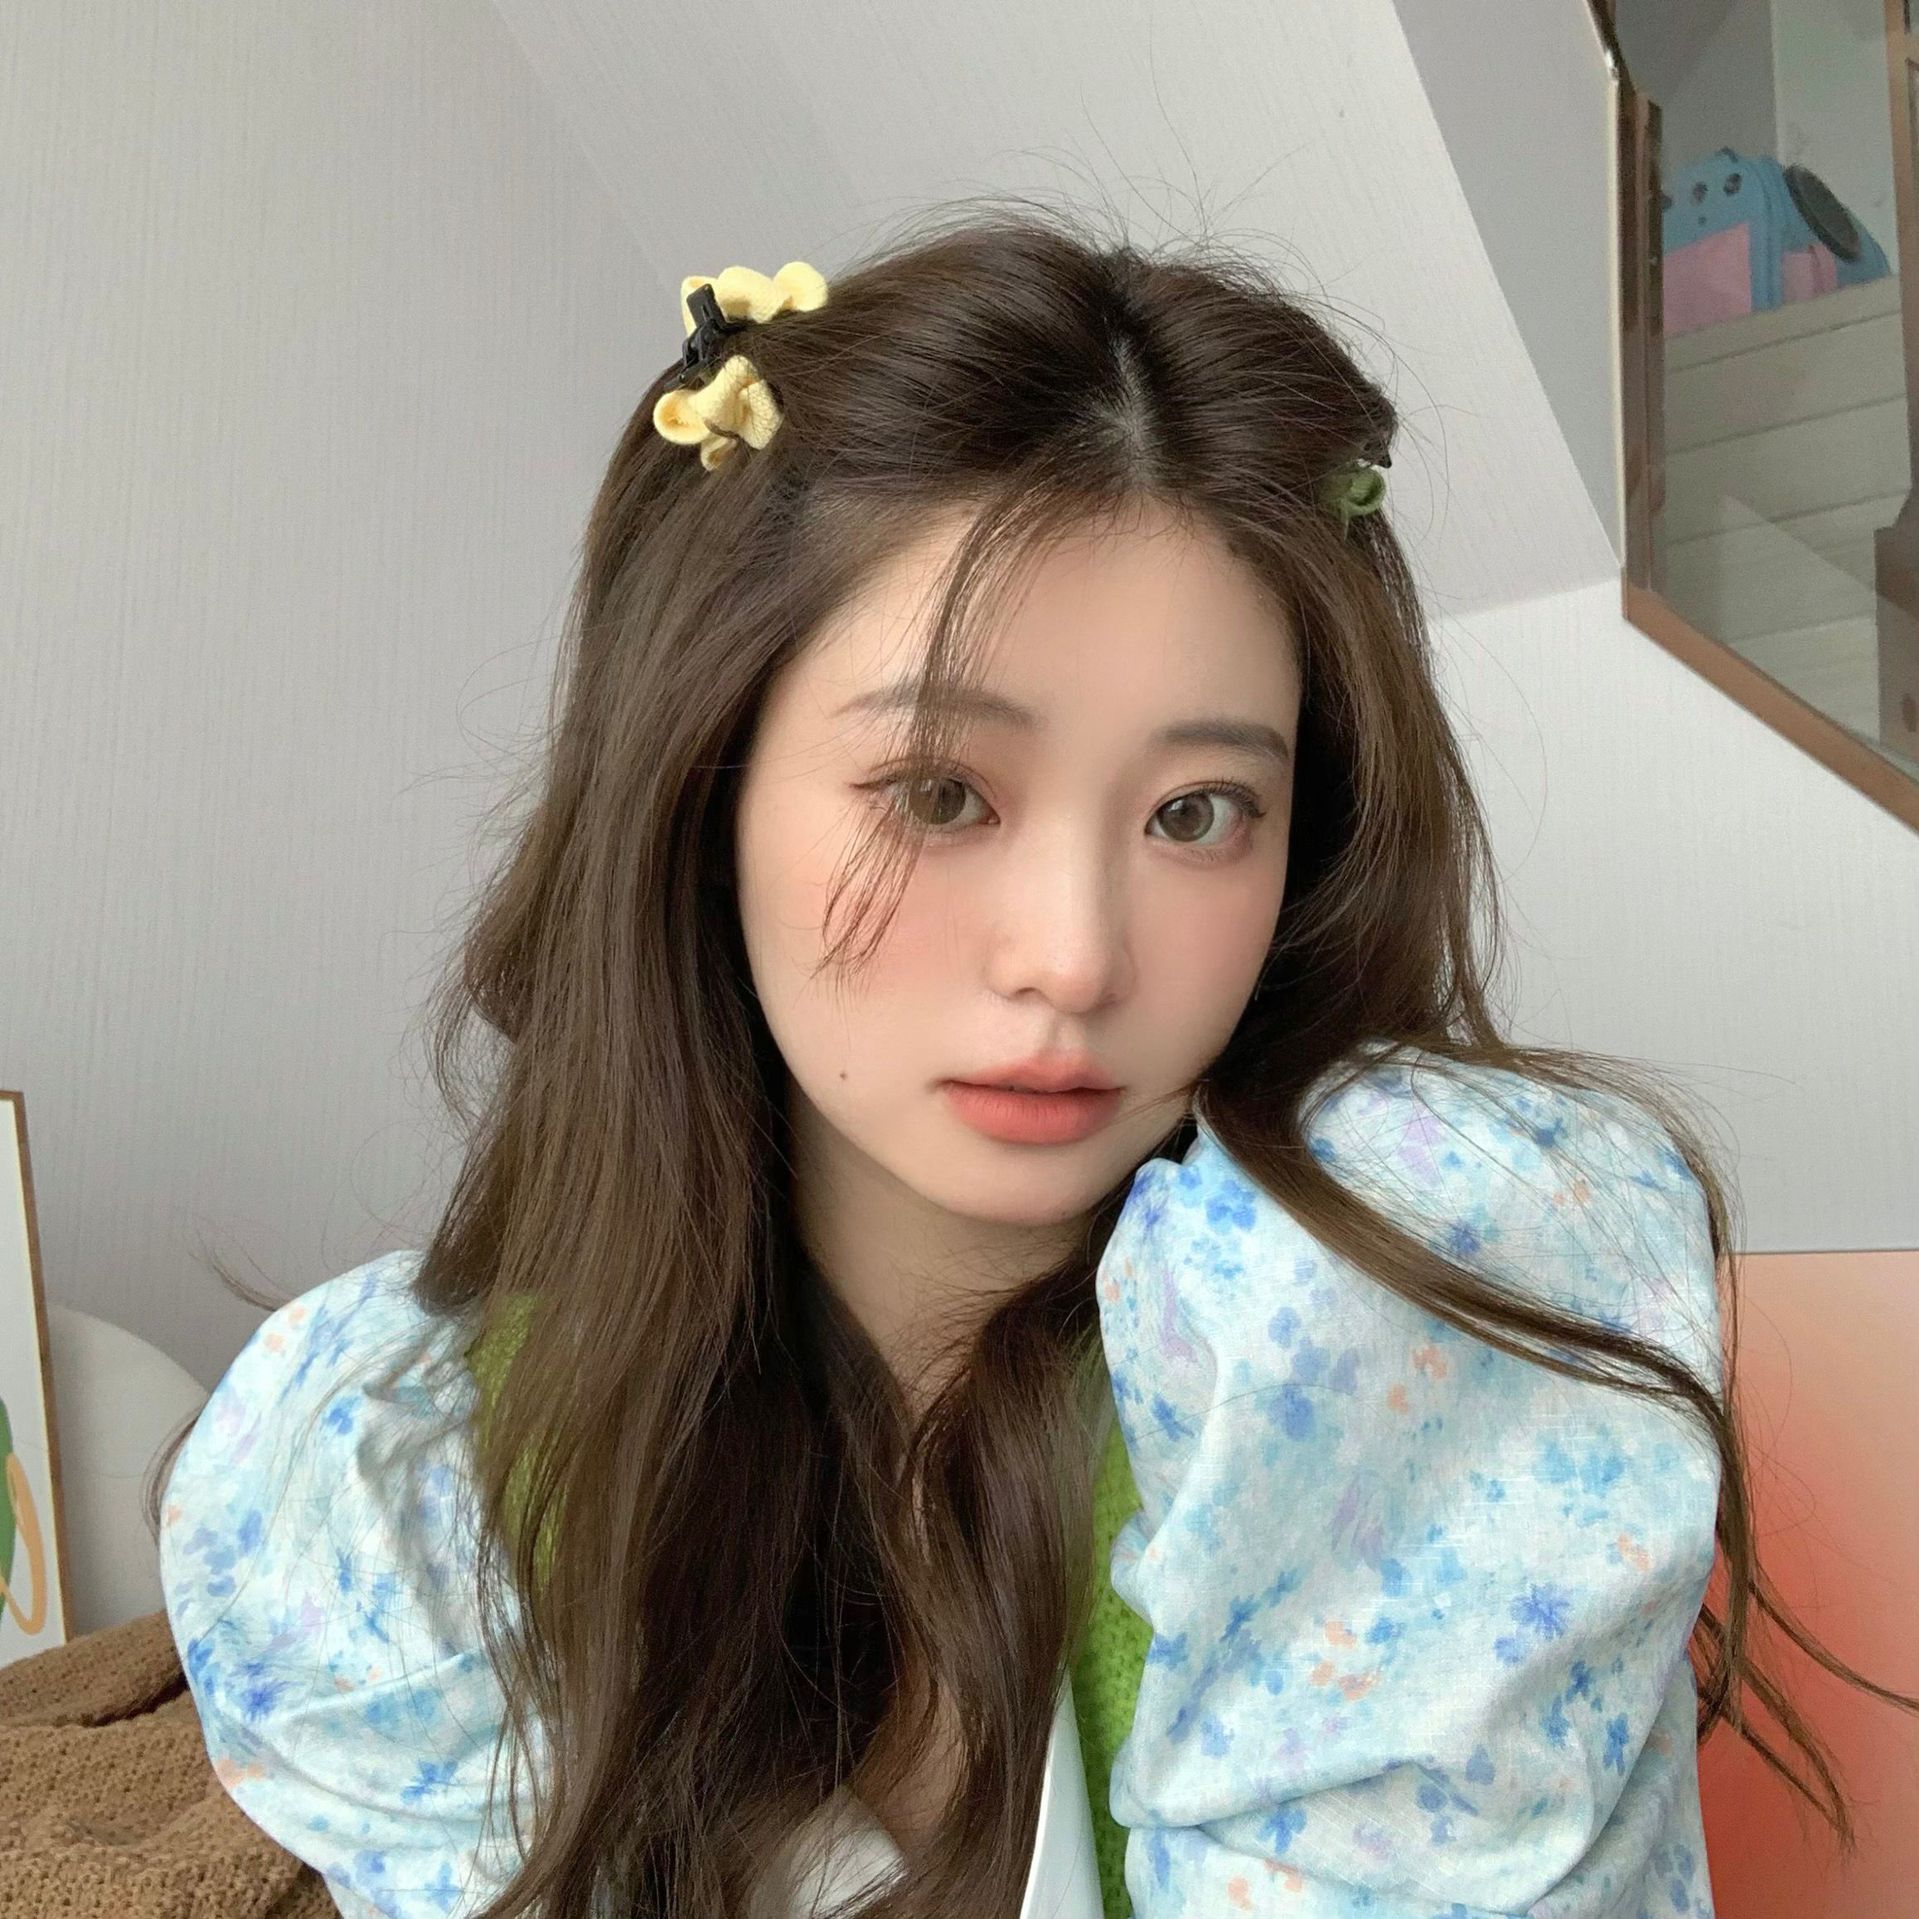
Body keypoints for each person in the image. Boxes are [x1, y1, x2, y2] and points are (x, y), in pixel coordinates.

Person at [149, 200, 1914, 1919]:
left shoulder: (1365, 1366)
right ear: (702, 792)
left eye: (1198, 812)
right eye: (939, 795)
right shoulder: (409, 1479)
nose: (1075, 957)